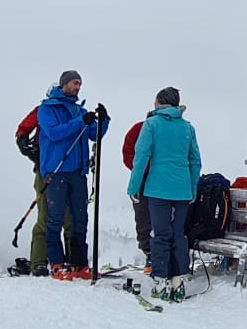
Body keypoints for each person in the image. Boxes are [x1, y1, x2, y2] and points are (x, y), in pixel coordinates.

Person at [126, 87, 201, 301]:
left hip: (157, 188)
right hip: (182, 189)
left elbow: (141, 157)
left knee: (160, 234)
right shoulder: (187, 128)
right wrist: (192, 188)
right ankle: (178, 281)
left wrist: (133, 187)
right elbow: (195, 161)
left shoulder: (151, 124)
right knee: (178, 234)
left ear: (159, 102)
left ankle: (161, 281)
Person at [34, 70, 108, 280]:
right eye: (75, 83)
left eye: (80, 84)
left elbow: (94, 135)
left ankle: (79, 263)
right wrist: (81, 121)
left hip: (77, 171)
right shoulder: (47, 109)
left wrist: (104, 120)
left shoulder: (79, 110)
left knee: (80, 218)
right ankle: (57, 264)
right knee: (55, 218)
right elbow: (54, 133)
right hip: (56, 171)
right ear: (64, 84)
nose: (78, 87)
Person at [16, 107, 76, 275]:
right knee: (48, 215)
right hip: (47, 171)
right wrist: (26, 145)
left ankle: (67, 260)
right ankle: (40, 262)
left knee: (68, 217)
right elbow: (22, 130)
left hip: (69, 171)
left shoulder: (75, 111)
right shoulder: (45, 110)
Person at [122, 118, 152, 271]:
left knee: (151, 219)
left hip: (161, 179)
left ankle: (157, 256)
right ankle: (150, 254)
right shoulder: (139, 129)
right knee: (143, 218)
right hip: (144, 179)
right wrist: (143, 169)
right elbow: (128, 154)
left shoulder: (170, 130)